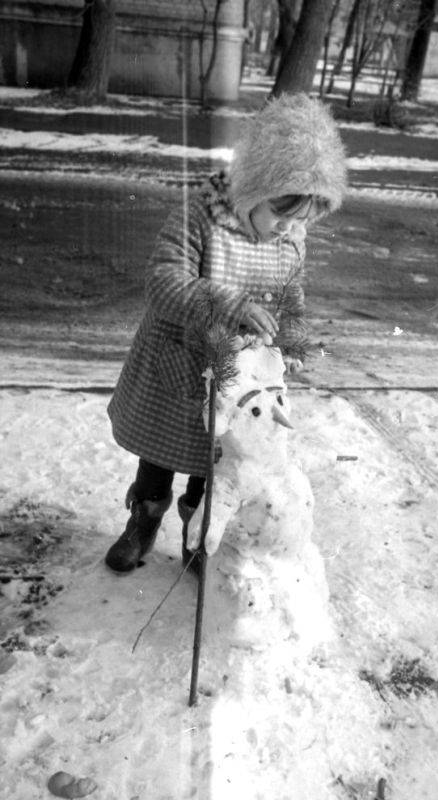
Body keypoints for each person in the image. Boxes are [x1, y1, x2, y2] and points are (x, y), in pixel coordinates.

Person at [104, 92, 347, 574]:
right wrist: (231, 304)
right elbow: (162, 280)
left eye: (303, 220)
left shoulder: (291, 240)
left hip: (232, 385)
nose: (288, 229)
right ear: (254, 188)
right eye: (281, 213)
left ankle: (198, 533)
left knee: (211, 462)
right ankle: (143, 520)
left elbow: (289, 296)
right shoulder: (202, 215)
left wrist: (290, 342)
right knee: (158, 455)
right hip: (174, 364)